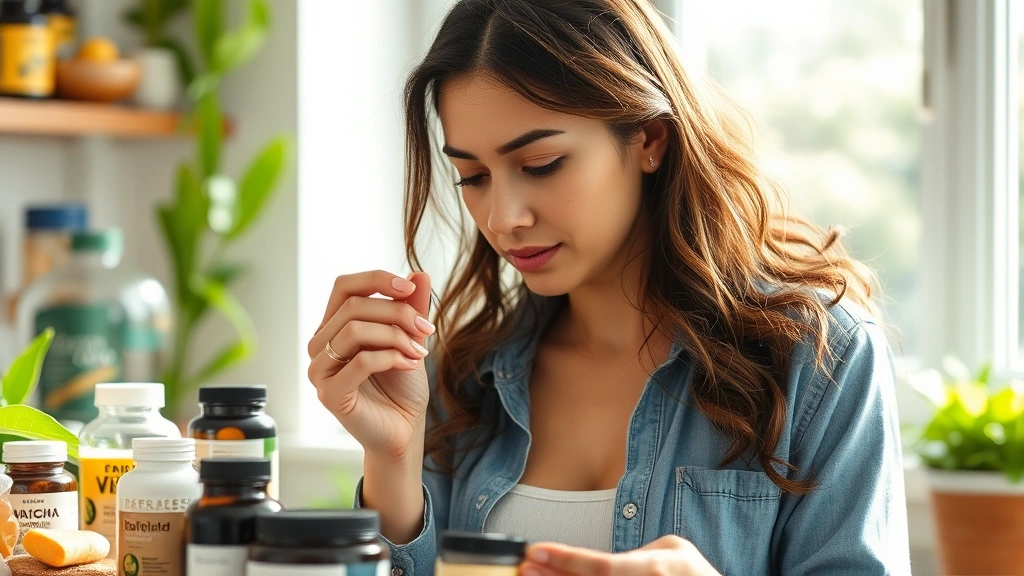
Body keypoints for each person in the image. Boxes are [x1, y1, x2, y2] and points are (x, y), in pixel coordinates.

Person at [307, 0, 912, 574]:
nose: (502, 217)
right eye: (473, 176)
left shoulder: (819, 361)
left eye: (541, 164)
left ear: (649, 138)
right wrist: (392, 461)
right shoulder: (462, 378)